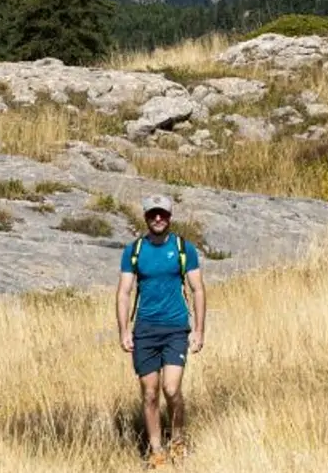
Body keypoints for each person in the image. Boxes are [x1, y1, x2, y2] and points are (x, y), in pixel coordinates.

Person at [116, 195, 206, 469]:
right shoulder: (134, 251)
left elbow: (198, 289)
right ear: (145, 217)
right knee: (150, 393)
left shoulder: (183, 248)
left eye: (163, 214)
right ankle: (156, 450)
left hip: (176, 328)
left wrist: (199, 330)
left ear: (169, 217)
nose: (158, 218)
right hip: (145, 330)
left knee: (171, 388)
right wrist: (124, 331)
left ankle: (178, 439)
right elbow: (124, 292)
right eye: (153, 214)